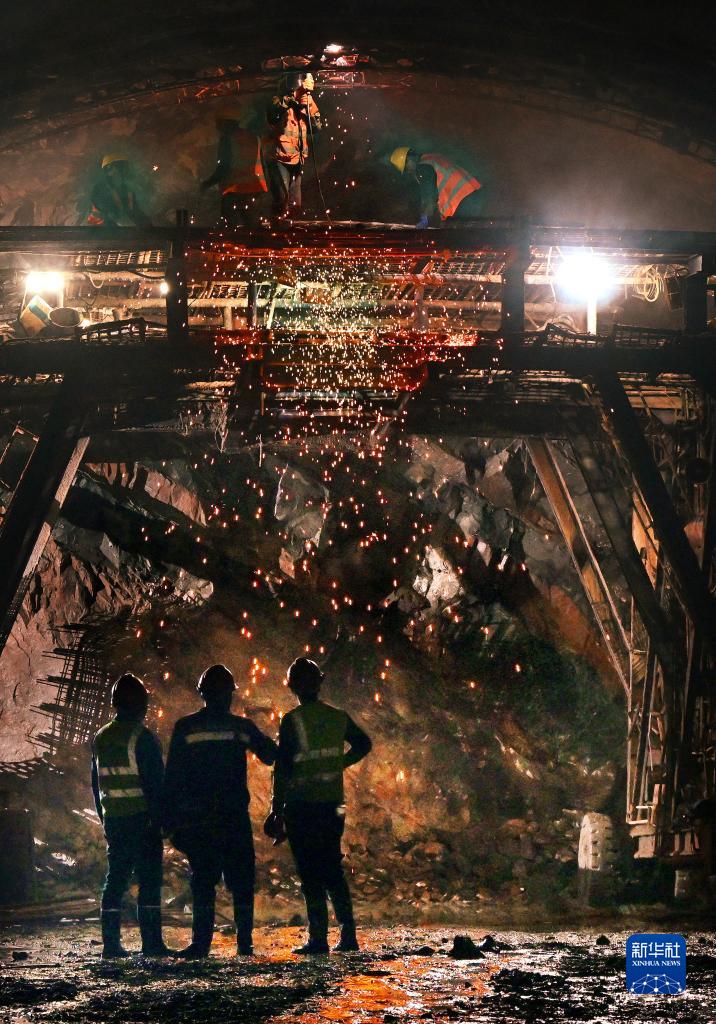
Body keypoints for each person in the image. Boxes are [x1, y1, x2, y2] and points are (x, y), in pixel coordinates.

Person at [163, 664, 277, 958]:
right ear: (230, 695)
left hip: (199, 819)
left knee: (203, 880)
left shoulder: (186, 727)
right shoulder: (241, 727)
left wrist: (170, 820)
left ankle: (200, 944)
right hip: (232, 816)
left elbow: (172, 777)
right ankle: (244, 945)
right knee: (241, 881)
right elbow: (270, 755)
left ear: (202, 693)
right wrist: (280, 736)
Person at [264, 658, 372, 955]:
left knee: (310, 873)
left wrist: (276, 808)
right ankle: (348, 935)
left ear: (292, 686)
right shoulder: (338, 717)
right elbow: (364, 744)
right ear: (320, 682)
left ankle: (318, 938)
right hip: (333, 805)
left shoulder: (292, 720)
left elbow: (283, 767)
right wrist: (341, 763)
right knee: (332, 868)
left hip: (301, 805)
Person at [91, 673, 170, 959]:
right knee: (149, 880)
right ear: (141, 704)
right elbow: (156, 785)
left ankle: (111, 945)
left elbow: (95, 784)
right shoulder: (142, 738)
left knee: (116, 879)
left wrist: (104, 817)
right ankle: (152, 944)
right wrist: (161, 821)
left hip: (114, 819)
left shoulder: (101, 737)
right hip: (142, 819)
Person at [264, 72, 321, 220]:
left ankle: (292, 227)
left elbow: (316, 127)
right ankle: (277, 226)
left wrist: (307, 105)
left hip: (297, 158)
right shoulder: (278, 100)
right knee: (282, 199)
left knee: (295, 203)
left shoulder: (307, 100)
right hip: (278, 157)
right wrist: (293, 98)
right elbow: (273, 116)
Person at [201, 109, 268, 228]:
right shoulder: (253, 137)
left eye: (218, 123)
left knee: (230, 229)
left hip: (234, 191)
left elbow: (224, 168)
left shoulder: (227, 139)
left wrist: (207, 183)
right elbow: (261, 162)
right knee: (253, 228)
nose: (217, 127)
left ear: (225, 123)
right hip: (254, 188)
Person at [389, 147, 480, 227]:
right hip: (475, 194)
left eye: (406, 168)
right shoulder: (432, 158)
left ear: (409, 159)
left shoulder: (423, 167)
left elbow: (429, 196)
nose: (409, 171)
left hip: (462, 203)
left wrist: (424, 218)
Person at [87, 155, 152, 227]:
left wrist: (147, 225)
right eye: (120, 167)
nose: (123, 171)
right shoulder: (100, 189)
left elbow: (134, 210)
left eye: (124, 167)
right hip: (99, 229)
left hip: (118, 228)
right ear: (109, 170)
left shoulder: (126, 189)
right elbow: (107, 212)